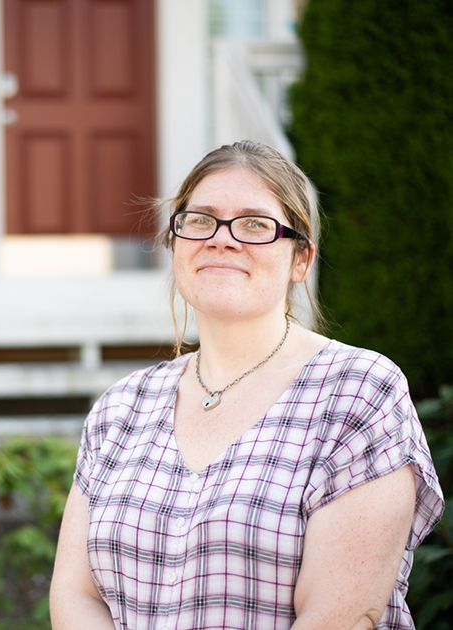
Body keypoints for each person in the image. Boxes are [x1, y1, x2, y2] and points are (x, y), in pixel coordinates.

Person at [49, 140, 444, 630]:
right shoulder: (121, 407)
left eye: (255, 224)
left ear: (301, 260)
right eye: (201, 220)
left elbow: (339, 618)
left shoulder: (358, 392)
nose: (222, 239)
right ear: (176, 244)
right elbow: (75, 593)